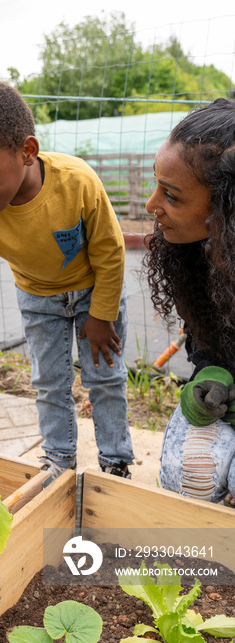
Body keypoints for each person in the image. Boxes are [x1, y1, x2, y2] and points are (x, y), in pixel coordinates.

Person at [0, 80, 134, 479]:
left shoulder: (78, 183)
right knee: (49, 384)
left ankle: (116, 460)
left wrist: (103, 315)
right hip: (38, 299)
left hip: (95, 292)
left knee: (104, 377)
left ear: (27, 151)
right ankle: (59, 458)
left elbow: (110, 251)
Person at [144, 97, 235, 505]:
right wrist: (209, 377)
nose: (152, 206)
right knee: (188, 475)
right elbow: (205, 350)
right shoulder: (193, 257)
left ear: (225, 208)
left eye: (172, 196)